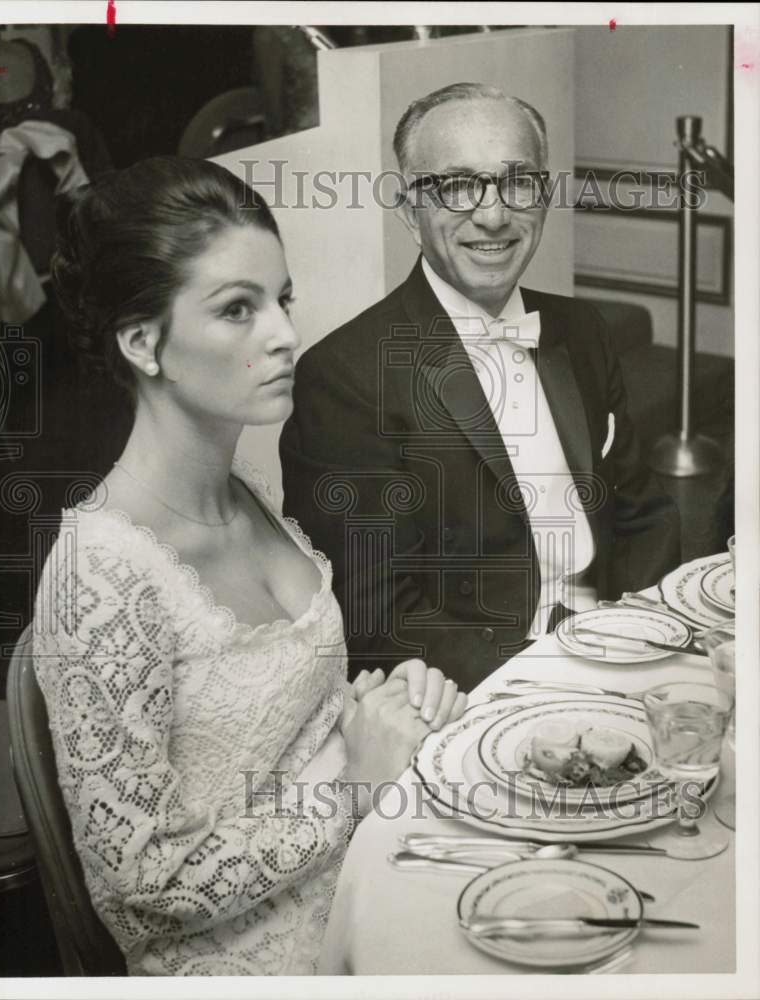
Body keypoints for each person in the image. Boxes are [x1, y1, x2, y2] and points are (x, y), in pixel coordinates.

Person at [31, 157, 467, 976]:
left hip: (366, 877)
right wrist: (355, 789)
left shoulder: (249, 493)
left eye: (282, 299)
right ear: (142, 343)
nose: (284, 334)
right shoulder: (98, 575)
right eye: (238, 309)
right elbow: (139, 889)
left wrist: (383, 709)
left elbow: (279, 725)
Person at [280, 82, 681, 691]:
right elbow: (375, 616)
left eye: (518, 181)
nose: (493, 216)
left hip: (618, 645)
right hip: (484, 692)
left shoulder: (581, 328)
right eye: (457, 186)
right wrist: (552, 681)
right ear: (409, 211)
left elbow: (643, 510)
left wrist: (641, 632)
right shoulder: (345, 376)